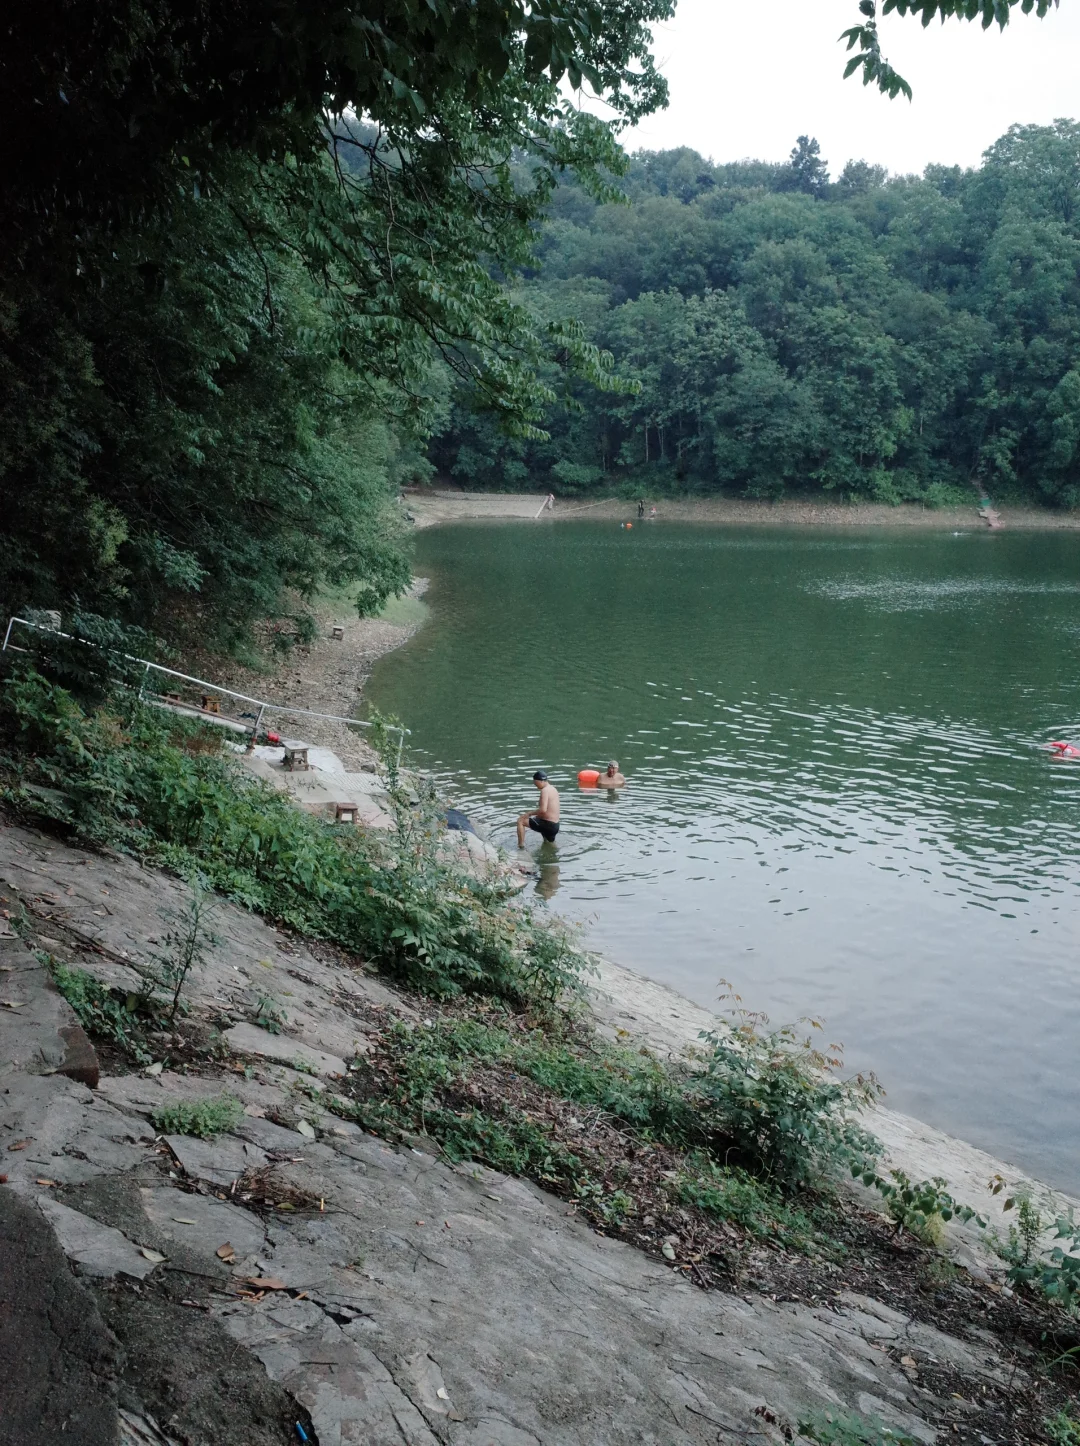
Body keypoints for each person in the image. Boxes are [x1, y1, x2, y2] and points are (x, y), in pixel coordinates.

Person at [517, 770, 560, 847]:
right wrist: (537, 816)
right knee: (548, 844)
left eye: (535, 783)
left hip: (547, 824)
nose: (535, 785)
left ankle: (520, 847)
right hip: (555, 825)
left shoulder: (545, 790)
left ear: (540, 781)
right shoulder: (553, 789)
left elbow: (543, 810)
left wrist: (529, 813)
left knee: (521, 820)